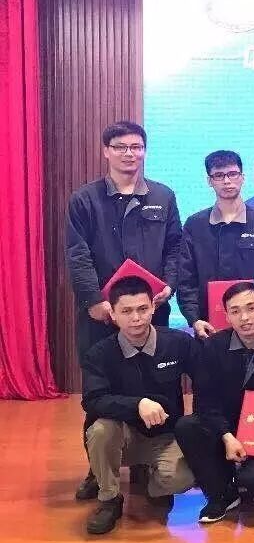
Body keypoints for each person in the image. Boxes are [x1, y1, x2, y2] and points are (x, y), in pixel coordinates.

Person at [66, 120, 183, 501]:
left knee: (155, 384)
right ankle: (97, 468)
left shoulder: (163, 196)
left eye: (136, 146)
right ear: (106, 151)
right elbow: (78, 254)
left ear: (144, 151)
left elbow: (175, 248)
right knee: (100, 390)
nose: (129, 153)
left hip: (151, 312)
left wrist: (169, 284)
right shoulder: (85, 199)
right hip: (101, 314)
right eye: (120, 147)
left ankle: (150, 460)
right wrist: (94, 301)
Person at [174, 282, 254, 523]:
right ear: (227, 316)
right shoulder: (212, 347)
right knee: (187, 426)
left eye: (251, 308)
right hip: (228, 430)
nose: (244, 318)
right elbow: (205, 401)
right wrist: (226, 436)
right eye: (235, 311)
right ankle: (221, 494)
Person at [80, 276, 199, 535]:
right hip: (122, 435)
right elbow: (92, 400)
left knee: (183, 480)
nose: (136, 318)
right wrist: (138, 405)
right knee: (100, 430)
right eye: (126, 311)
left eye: (143, 309)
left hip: (165, 435)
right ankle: (109, 498)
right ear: (112, 314)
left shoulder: (178, 343)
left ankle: (150, 479)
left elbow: (205, 380)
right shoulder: (99, 354)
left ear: (153, 307)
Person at [175, 150, 254, 339]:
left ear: (242, 177)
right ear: (209, 181)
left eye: (232, 174)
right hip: (209, 326)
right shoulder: (195, 224)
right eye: (219, 175)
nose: (227, 181)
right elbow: (186, 278)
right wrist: (194, 319)